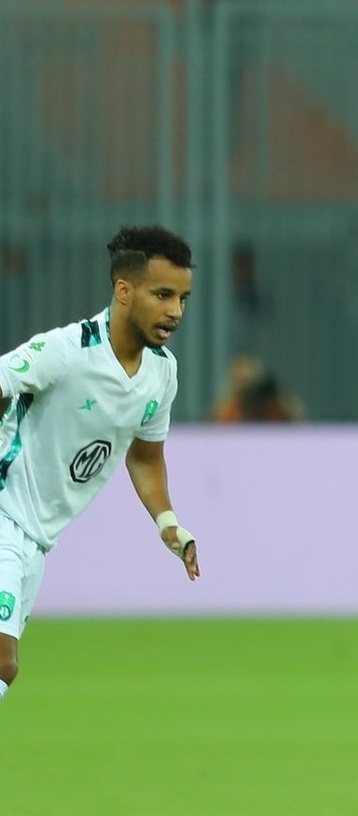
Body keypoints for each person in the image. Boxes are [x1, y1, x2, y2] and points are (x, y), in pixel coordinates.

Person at [0, 225, 200, 709]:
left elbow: (146, 455)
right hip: (5, 514)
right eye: (163, 294)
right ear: (124, 291)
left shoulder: (162, 372)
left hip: (37, 540)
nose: (175, 311)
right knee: (2, 661)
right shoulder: (67, 351)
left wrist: (169, 524)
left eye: (183, 298)